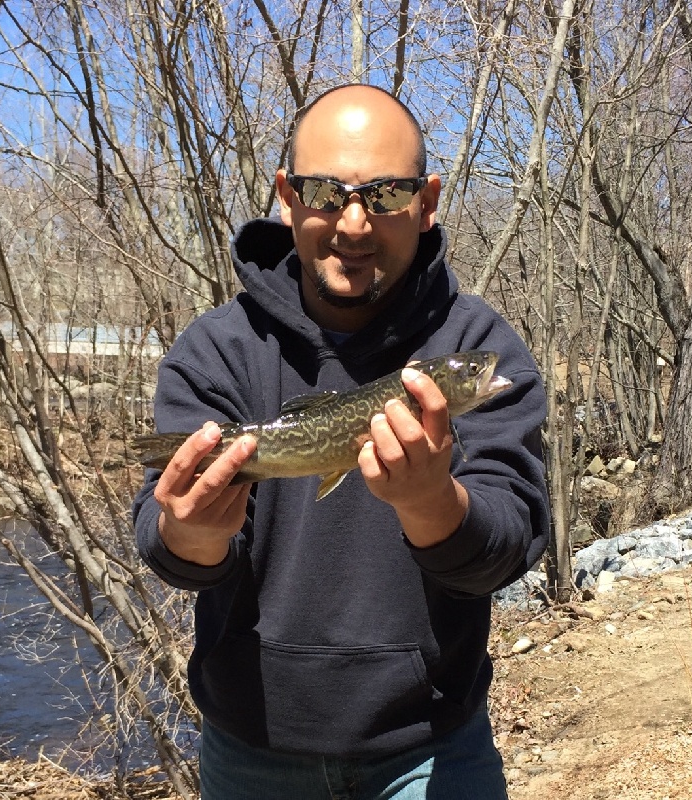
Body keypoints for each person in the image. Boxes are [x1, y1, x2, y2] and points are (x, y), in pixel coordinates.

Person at [132, 83, 550, 799]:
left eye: (386, 195)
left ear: (427, 202)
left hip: (432, 747)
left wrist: (431, 505)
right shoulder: (218, 350)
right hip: (252, 747)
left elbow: (509, 546)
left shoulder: (478, 346)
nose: (354, 223)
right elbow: (165, 541)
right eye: (327, 192)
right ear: (287, 196)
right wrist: (190, 533)